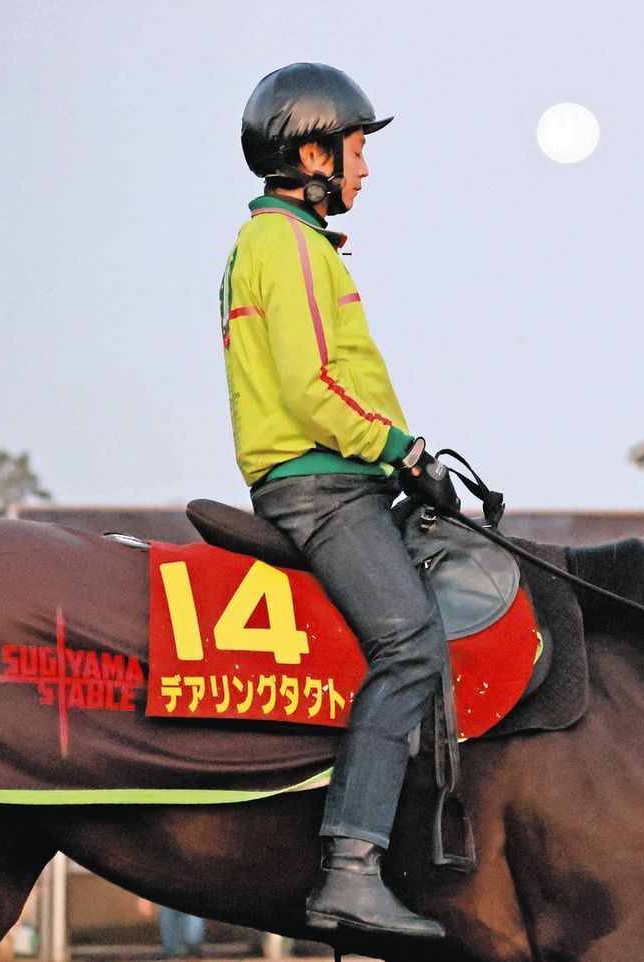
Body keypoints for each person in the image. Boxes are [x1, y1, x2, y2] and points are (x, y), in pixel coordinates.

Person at [220, 62, 459, 939]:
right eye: (357, 149)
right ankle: (352, 871)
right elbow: (315, 388)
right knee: (409, 642)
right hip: (320, 486)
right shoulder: (282, 247)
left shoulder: (293, 246)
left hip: (337, 478)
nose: (366, 169)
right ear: (312, 152)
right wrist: (405, 452)